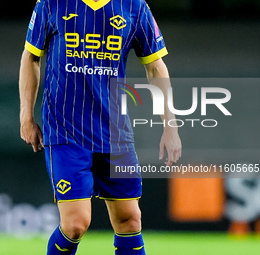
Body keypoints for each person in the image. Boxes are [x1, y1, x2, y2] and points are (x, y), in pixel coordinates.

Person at [19, 0, 181, 254]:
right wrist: (25, 116)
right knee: (75, 224)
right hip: (65, 130)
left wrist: (170, 126)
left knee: (130, 220)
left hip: (115, 133)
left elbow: (155, 66)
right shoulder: (51, 4)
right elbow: (31, 57)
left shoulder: (135, 7)